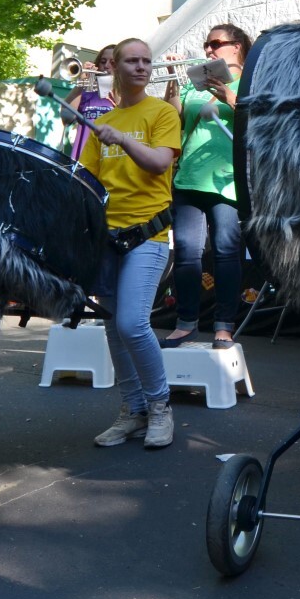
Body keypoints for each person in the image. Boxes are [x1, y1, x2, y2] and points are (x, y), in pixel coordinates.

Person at [82, 38, 184, 451]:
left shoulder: (162, 112)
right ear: (115, 68)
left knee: (131, 324)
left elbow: (160, 163)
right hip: (107, 237)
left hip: (148, 234)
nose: (142, 67)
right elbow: (88, 183)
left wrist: (122, 140)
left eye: (146, 61)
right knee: (112, 327)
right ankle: (133, 410)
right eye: (132, 61)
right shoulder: (103, 122)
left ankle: (160, 406)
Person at [162, 24, 250, 348]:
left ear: (237, 46)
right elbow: (173, 116)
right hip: (189, 177)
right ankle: (186, 323)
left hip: (227, 180)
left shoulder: (251, 81)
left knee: (226, 251)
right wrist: (173, 78)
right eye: (207, 44)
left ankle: (224, 326)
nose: (209, 50)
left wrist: (229, 96)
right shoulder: (195, 84)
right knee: (186, 251)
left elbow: (262, 121)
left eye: (216, 43)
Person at [67, 44, 118, 161]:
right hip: (83, 158)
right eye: (103, 61)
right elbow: (67, 118)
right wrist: (81, 83)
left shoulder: (128, 94)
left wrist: (115, 87)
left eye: (113, 62)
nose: (106, 66)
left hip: (111, 159)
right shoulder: (86, 92)